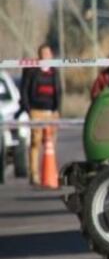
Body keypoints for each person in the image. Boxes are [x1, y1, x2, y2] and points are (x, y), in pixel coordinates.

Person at [19, 44, 61, 186]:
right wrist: (28, 108)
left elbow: (59, 90)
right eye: (43, 53)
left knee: (49, 144)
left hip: (51, 111)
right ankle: (34, 174)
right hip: (36, 110)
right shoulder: (32, 71)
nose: (46, 56)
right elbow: (24, 89)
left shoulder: (54, 71)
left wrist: (57, 109)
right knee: (35, 142)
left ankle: (50, 173)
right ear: (39, 55)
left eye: (48, 53)